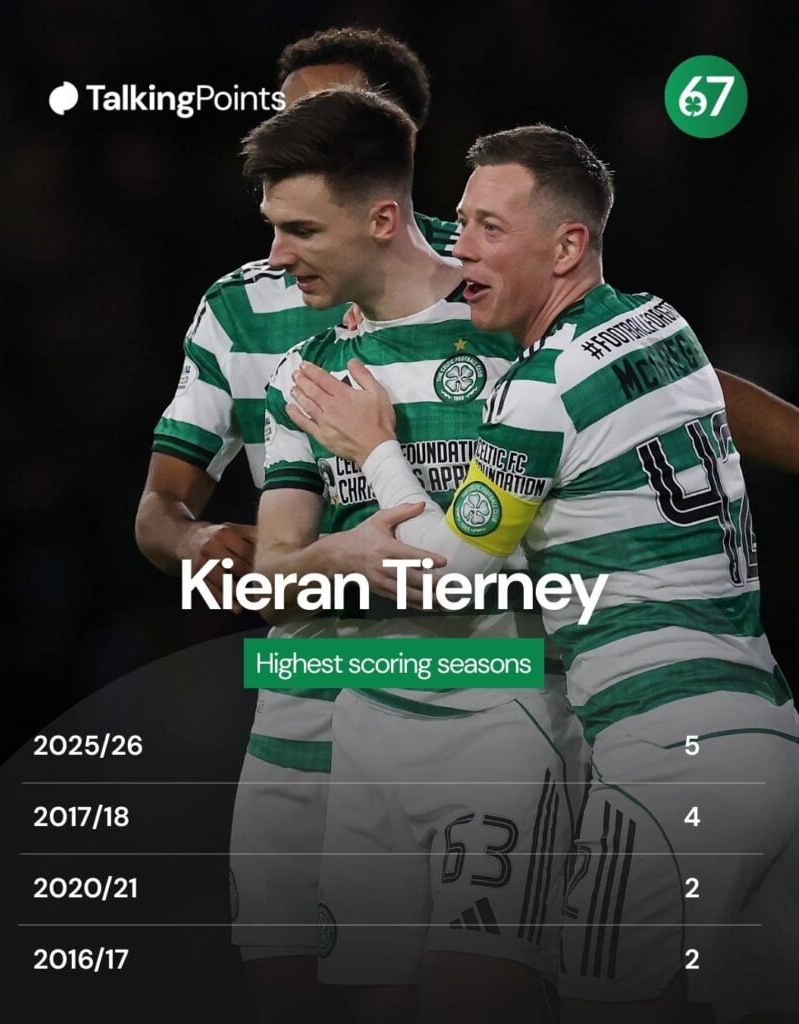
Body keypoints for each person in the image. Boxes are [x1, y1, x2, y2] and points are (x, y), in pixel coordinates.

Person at [289, 123, 799, 1023]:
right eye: (460, 222)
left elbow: (440, 571)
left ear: (567, 246)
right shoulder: (661, 324)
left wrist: (372, 448)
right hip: (769, 735)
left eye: (489, 227)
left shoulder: (542, 387)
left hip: (666, 756)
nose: (460, 246)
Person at [133, 28, 458, 1022]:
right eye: (283, 120)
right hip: (301, 683)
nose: (295, 138)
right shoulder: (241, 307)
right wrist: (192, 545)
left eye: (324, 120)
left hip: (451, 678)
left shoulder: (489, 283)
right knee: (289, 985)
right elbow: (159, 504)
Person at [245, 87, 583, 1024]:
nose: (276, 258)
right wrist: (341, 554)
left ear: (383, 217)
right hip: (365, 724)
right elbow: (272, 569)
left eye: (300, 230)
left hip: (500, 712)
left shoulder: (517, 335)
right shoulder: (302, 379)